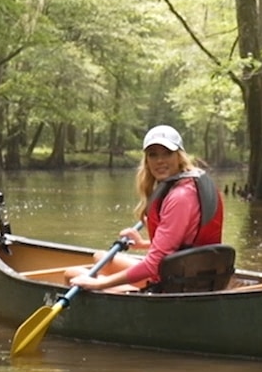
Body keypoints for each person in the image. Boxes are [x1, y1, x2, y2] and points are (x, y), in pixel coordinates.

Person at [70, 124, 223, 291]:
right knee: (100, 257)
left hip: (174, 286)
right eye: (153, 155)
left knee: (72, 274)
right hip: (188, 274)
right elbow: (184, 244)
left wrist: (100, 283)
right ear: (147, 160)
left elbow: (153, 265)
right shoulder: (189, 186)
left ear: (179, 156)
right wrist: (143, 244)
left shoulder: (180, 197)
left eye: (167, 153)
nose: (160, 160)